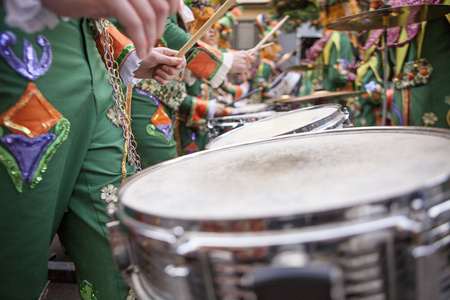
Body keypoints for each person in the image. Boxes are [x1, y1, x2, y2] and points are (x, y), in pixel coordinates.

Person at [0, 0, 183, 298]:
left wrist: (128, 56)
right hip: (16, 70)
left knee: (118, 249)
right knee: (15, 265)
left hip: (97, 76)